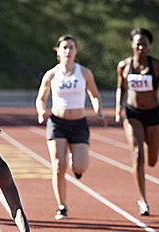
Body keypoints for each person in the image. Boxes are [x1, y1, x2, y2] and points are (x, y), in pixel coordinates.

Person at [35, 34, 107, 220]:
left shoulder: (84, 73)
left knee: (81, 167)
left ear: (76, 51)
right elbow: (41, 98)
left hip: (79, 124)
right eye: (64, 47)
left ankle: (75, 163)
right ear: (58, 51)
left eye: (71, 47)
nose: (68, 51)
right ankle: (62, 206)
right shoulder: (51, 74)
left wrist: (98, 112)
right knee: (58, 166)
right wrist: (41, 111)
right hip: (57, 123)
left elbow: (95, 95)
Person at [116, 28, 159, 216]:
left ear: (149, 47)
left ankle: (150, 147)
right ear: (132, 44)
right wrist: (118, 108)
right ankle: (143, 201)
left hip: (153, 115)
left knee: (152, 161)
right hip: (133, 114)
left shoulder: (158, 66)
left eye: (144, 44)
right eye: (138, 43)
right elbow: (120, 88)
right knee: (138, 153)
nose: (141, 47)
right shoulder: (124, 66)